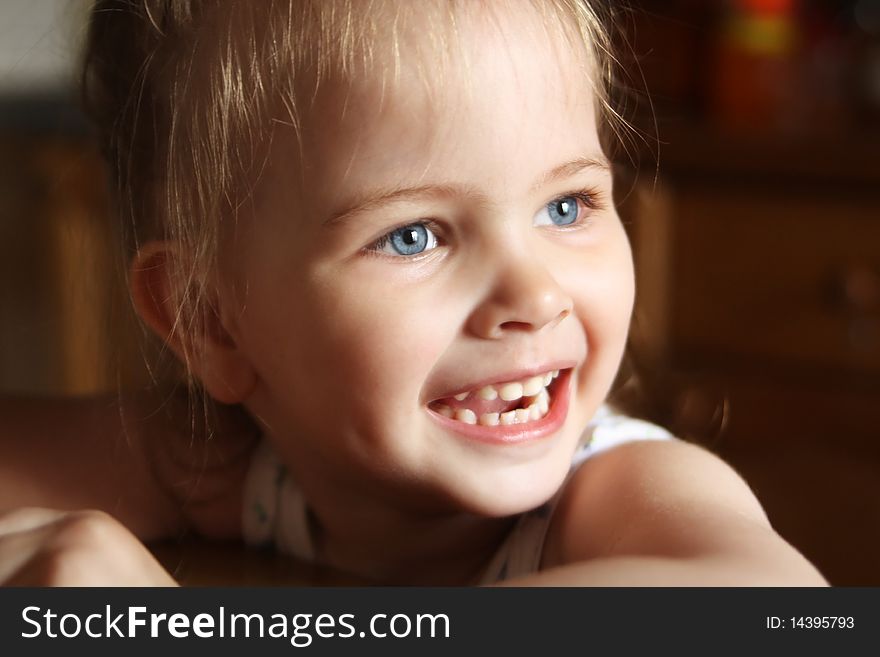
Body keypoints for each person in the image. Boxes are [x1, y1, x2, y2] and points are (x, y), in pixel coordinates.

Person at [0, 0, 826, 586]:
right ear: (212, 318)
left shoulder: (613, 490)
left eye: (566, 206)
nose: (535, 295)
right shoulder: (230, 459)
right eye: (414, 234)